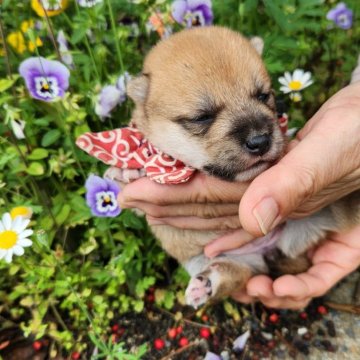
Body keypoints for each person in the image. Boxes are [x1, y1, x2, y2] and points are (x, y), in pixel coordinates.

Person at [118, 79, 360, 310]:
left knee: (330, 192)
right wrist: (133, 173)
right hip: (221, 251)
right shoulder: (149, 145)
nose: (256, 134)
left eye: (263, 96)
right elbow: (144, 203)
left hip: (296, 227)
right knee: (199, 260)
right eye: (202, 118)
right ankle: (220, 275)